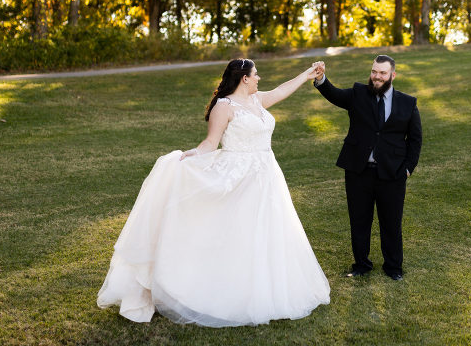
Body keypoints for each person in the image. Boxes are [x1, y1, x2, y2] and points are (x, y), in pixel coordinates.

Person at [97, 59, 330, 327]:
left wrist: (307, 74)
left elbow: (282, 90)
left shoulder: (257, 100)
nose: (259, 78)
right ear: (244, 78)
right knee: (237, 232)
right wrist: (190, 156)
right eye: (255, 75)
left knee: (267, 231)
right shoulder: (224, 106)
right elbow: (210, 142)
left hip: (266, 175)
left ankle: (266, 288)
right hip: (238, 176)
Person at [312, 55, 422, 280]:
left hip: (392, 174)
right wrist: (321, 78)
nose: (377, 77)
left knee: (391, 223)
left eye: (382, 73)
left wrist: (408, 169)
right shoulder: (358, 94)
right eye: (374, 71)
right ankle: (361, 264)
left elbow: (415, 140)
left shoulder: (408, 103)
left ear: (393, 75)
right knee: (359, 221)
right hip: (358, 171)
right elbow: (333, 94)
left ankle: (393, 267)